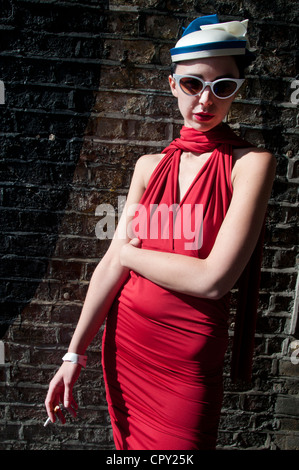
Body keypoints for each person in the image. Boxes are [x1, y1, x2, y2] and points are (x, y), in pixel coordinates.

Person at [45, 14, 276, 450]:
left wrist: (128, 254)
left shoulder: (251, 165)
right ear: (173, 85)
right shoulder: (149, 167)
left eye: (222, 87)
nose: (206, 99)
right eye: (193, 84)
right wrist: (73, 354)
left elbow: (213, 280)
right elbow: (107, 267)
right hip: (128, 343)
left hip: (188, 359)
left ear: (235, 94)